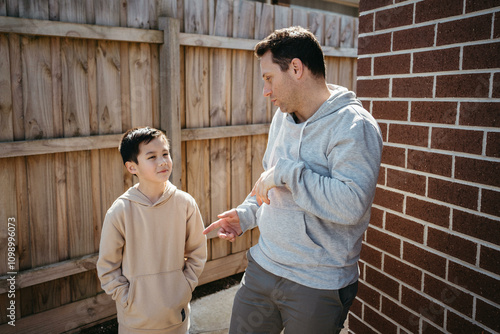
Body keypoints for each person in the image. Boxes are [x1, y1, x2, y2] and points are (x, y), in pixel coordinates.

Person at [203, 26, 383, 333]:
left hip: (317, 284)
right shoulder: (282, 118)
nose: (266, 91)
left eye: (269, 78)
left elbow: (351, 204)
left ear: (296, 68)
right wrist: (245, 215)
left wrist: (287, 172)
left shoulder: (353, 126)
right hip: (264, 267)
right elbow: (268, 184)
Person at [97, 127, 207, 334]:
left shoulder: (185, 204)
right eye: (152, 157)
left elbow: (197, 253)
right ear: (132, 167)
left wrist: (184, 289)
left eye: (165, 153)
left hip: (176, 318)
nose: (163, 161)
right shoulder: (120, 211)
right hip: (135, 322)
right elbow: (107, 267)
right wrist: (129, 300)